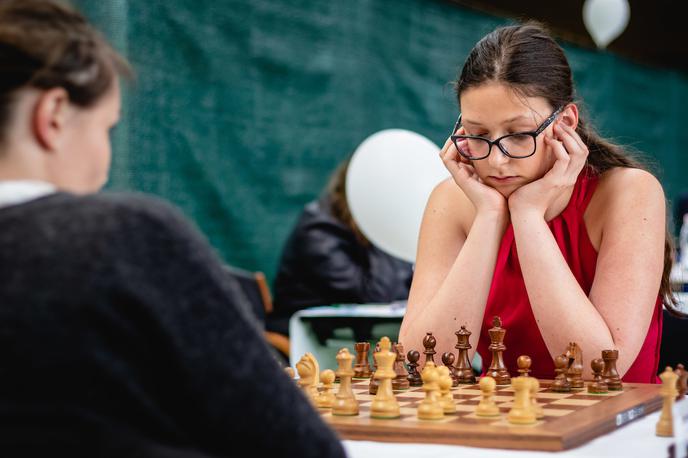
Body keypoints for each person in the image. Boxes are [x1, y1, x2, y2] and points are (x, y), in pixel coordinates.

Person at [0, 1, 345, 457]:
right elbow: (299, 445)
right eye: (107, 129)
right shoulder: (124, 237)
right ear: (55, 114)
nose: (104, 169)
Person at [399, 21, 682, 384]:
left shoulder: (629, 192)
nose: (497, 160)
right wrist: (489, 215)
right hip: (501, 422)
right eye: (478, 134)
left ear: (564, 122)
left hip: (613, 428)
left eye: (518, 134)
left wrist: (528, 214)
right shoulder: (455, 200)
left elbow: (597, 371)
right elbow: (424, 362)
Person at [267, 158, 414, 339]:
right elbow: (378, 296)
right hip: (305, 342)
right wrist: (381, 231)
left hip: (344, 339)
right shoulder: (318, 230)